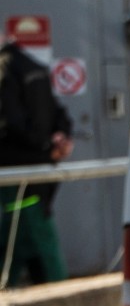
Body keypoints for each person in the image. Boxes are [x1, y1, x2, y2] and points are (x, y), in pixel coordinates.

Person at [0, 34, 71, 286]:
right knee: (29, 241)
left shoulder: (5, 70)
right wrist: (60, 139)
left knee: (25, 239)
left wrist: (47, 149)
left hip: (14, 176)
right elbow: (59, 113)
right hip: (41, 176)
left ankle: (58, 296)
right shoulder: (34, 66)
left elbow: (10, 124)